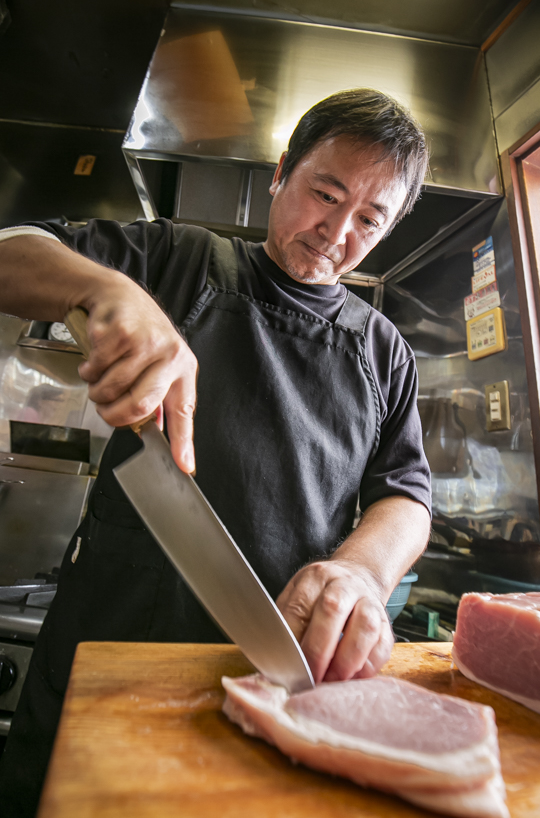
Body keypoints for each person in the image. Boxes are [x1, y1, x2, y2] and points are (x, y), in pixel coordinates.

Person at [0, 88, 431, 816]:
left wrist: (359, 571)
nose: (336, 231)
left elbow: (405, 495)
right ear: (281, 172)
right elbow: (12, 252)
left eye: (369, 219)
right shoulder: (177, 259)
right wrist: (108, 291)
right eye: (324, 193)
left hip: (270, 668)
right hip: (110, 651)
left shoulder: (382, 349)